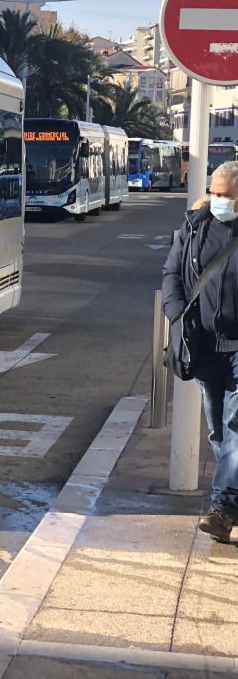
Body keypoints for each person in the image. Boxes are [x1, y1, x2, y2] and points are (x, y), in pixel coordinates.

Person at [162, 159, 238, 543]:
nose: (215, 199)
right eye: (212, 192)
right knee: (218, 433)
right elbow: (171, 274)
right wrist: (177, 317)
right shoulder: (195, 227)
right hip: (204, 346)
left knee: (235, 428)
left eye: (223, 194)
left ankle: (221, 508)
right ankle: (231, 503)